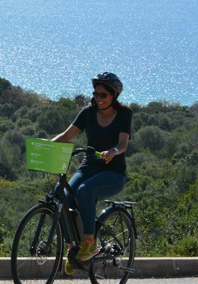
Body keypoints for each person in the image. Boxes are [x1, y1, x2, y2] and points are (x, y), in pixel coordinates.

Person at [51, 72, 133, 275]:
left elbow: (123, 144)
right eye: (96, 94)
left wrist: (113, 151)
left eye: (103, 95)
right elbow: (66, 136)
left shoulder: (124, 114)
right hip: (88, 167)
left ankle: (90, 243)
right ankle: (73, 250)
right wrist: (43, 146)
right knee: (61, 195)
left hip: (113, 172)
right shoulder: (88, 113)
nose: (98, 98)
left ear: (114, 95)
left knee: (85, 190)